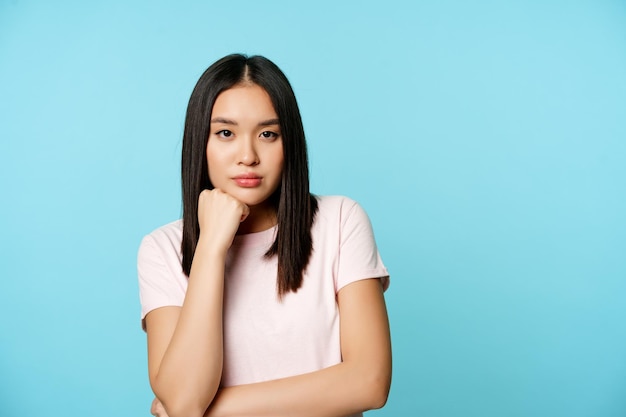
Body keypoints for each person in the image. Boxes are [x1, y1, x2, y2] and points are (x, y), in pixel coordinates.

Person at [137, 54, 391, 417]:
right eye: (225, 133)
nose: (248, 155)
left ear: (290, 144)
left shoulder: (339, 221)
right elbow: (183, 396)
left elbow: (370, 382)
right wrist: (210, 247)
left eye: (268, 134)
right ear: (200, 142)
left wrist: (210, 411)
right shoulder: (161, 249)